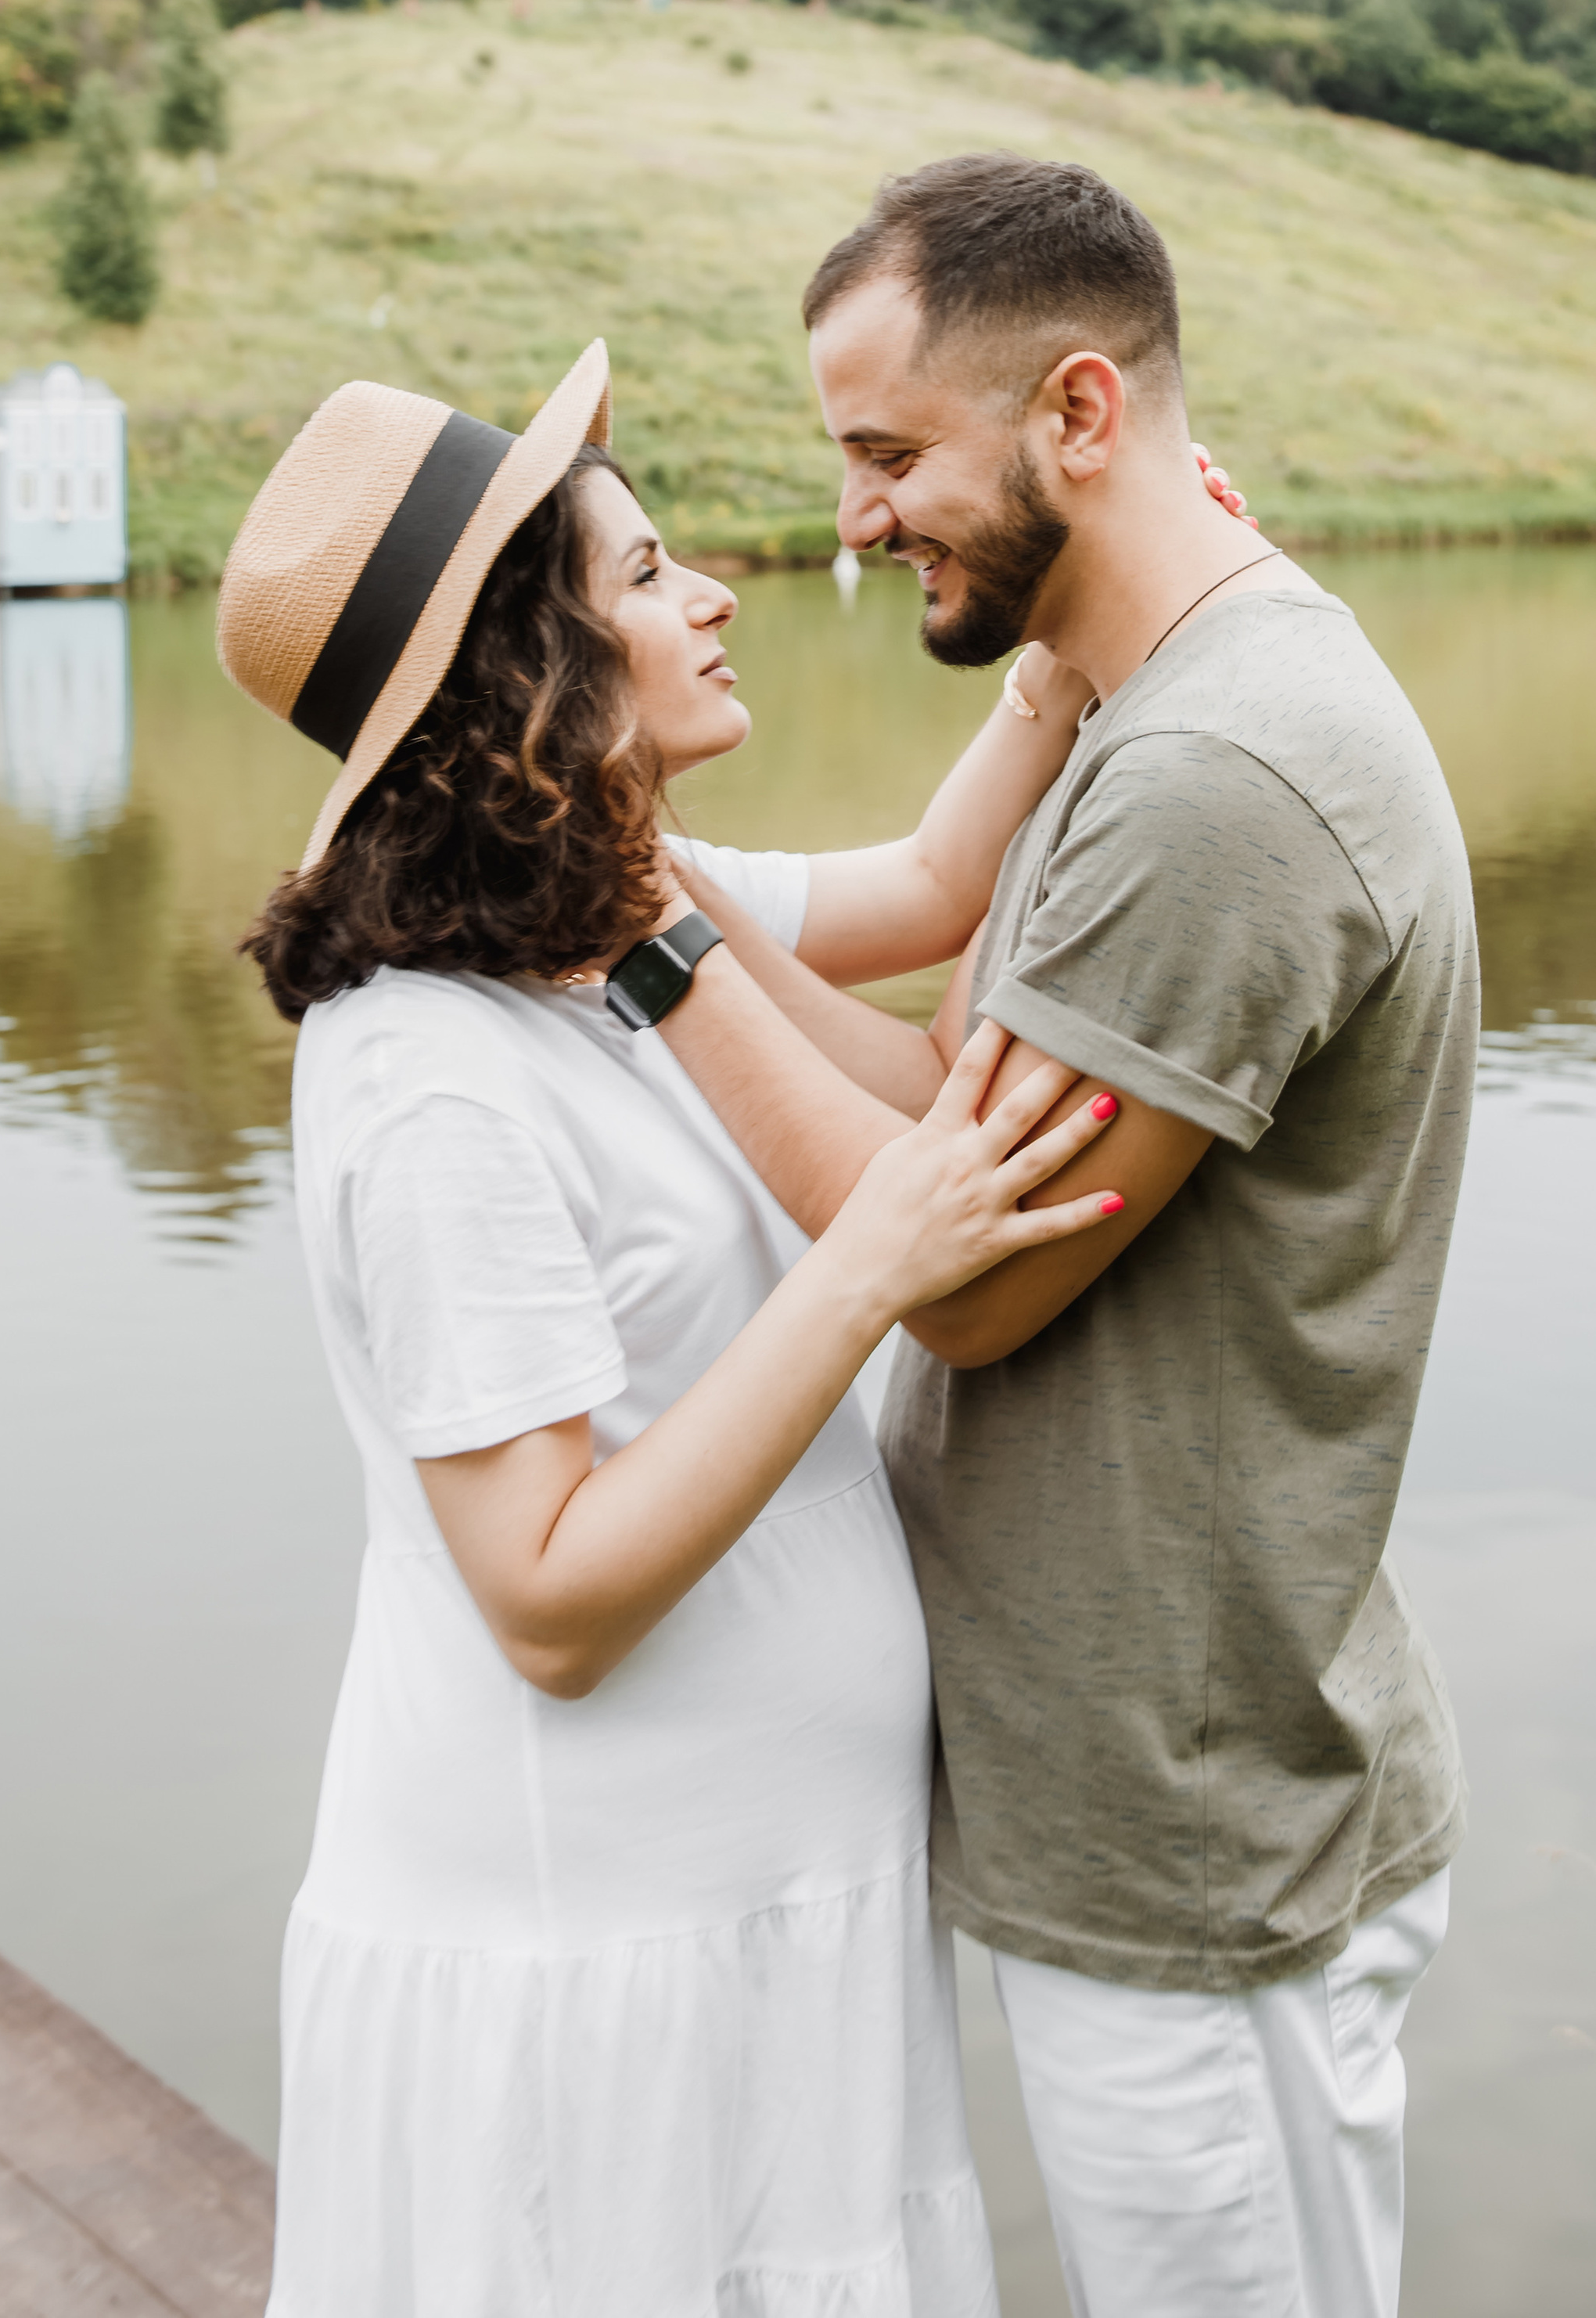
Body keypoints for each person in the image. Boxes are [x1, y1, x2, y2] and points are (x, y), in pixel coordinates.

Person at [215, 340, 1148, 2318]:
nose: (711, 592)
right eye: (643, 576)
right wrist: (865, 1270)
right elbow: (547, 1603)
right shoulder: (430, 1074)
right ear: (528, 678)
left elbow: (930, 886)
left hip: (766, 1915)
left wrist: (1068, 646)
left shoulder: (616, 907)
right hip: (590, 1966)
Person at [646, 155, 1477, 2318]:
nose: (855, 519)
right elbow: (945, 1100)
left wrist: (639, 942)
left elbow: (972, 1274)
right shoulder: (1147, 713)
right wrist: (629, 864)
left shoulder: (1220, 780)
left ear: (1079, 414)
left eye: (888, 454)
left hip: (1196, 1830)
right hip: (1136, 1784)